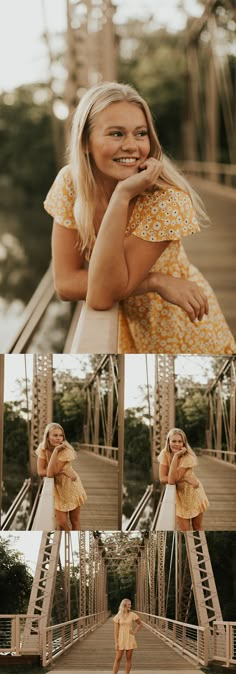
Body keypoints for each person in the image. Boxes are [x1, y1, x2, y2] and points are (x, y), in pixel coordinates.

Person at [44, 81, 236, 354]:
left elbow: (100, 295)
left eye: (141, 133)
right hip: (129, 332)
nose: (132, 146)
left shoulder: (166, 199)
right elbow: (64, 284)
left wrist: (122, 195)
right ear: (86, 141)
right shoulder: (70, 184)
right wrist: (155, 281)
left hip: (182, 330)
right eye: (116, 134)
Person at [36, 422, 87, 530]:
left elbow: (50, 473)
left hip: (71, 486)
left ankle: (72, 539)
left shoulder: (66, 450)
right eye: (55, 435)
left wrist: (55, 451)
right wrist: (63, 471)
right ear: (47, 436)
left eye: (61, 435)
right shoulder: (42, 448)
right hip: (58, 489)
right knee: (61, 522)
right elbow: (41, 472)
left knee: (75, 520)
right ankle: (69, 537)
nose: (59, 438)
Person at [158, 428, 209, 530]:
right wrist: (185, 479)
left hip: (193, 493)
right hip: (180, 497)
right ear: (168, 441)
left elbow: (172, 479)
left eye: (180, 441)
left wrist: (176, 456)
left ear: (184, 443)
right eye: (174, 441)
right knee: (184, 531)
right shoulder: (165, 454)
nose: (177, 444)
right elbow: (163, 479)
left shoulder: (188, 457)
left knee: (197, 527)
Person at [107, 598, 142, 674]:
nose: (130, 606)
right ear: (124, 605)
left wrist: (134, 632)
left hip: (130, 638)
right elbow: (115, 631)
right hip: (121, 639)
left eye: (130, 604)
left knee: (128, 658)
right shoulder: (118, 616)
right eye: (129, 604)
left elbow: (140, 624)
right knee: (118, 658)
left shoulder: (133, 614)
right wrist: (116, 642)